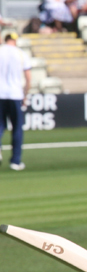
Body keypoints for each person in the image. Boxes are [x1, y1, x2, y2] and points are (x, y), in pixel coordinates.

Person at [0, 33, 32, 171]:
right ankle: (15, 161)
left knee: (0, 125)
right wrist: (25, 95)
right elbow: (28, 78)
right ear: (15, 40)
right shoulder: (20, 53)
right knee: (17, 127)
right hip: (15, 94)